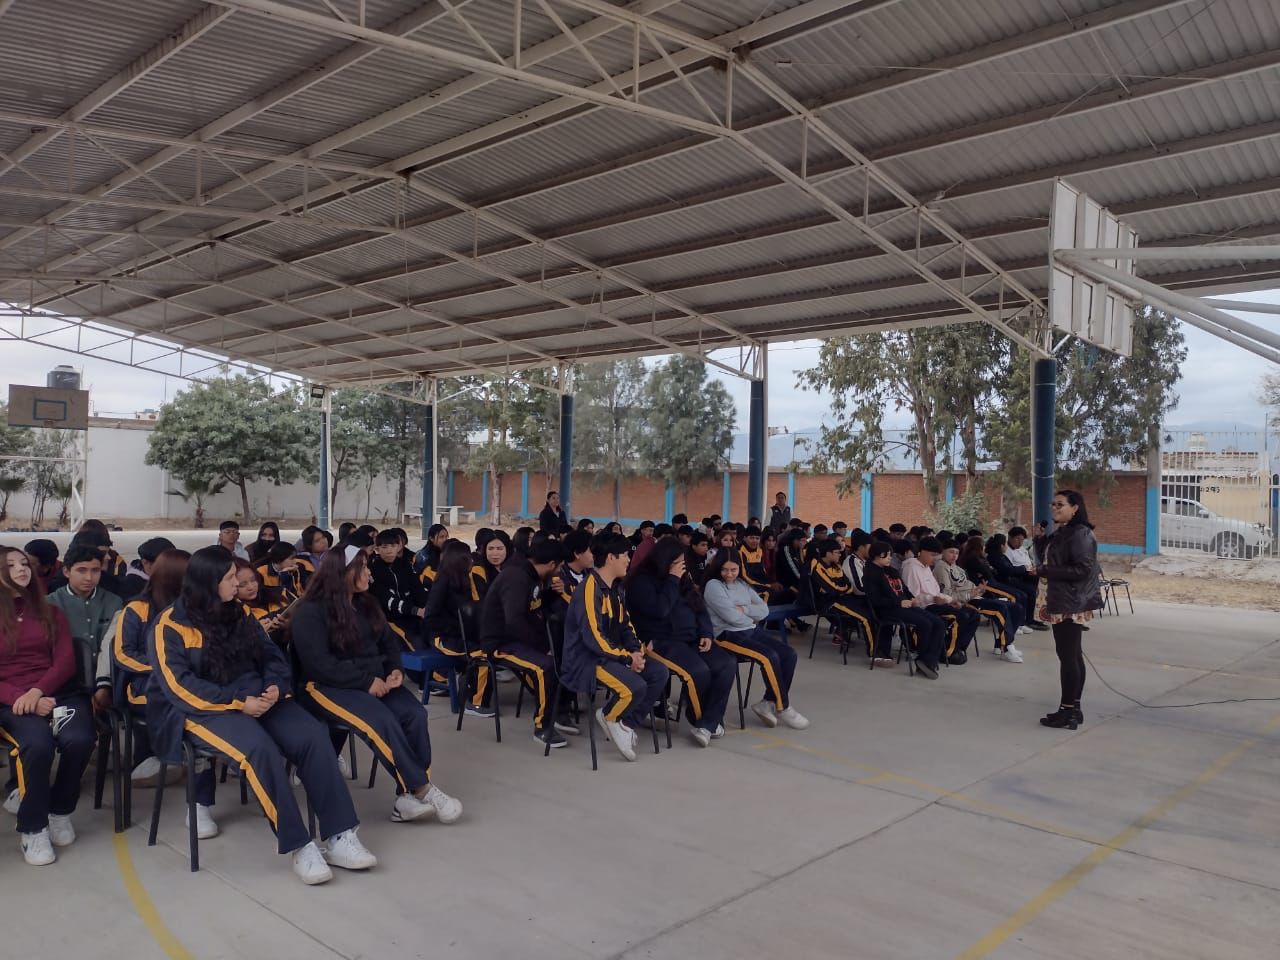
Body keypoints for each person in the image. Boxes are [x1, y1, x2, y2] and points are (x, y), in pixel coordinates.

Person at [149, 546, 373, 885]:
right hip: (205, 710)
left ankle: (340, 834)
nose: (236, 586)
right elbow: (180, 687)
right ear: (207, 583)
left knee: (313, 735)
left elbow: (271, 656)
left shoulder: (238, 612)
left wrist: (274, 686)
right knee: (259, 750)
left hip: (259, 697)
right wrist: (239, 702)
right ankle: (300, 845)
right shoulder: (169, 625)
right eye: (228, 580)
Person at [291, 545, 463, 824]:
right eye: (363, 567)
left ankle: (405, 799)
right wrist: (366, 681)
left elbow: (388, 643)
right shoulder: (311, 612)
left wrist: (394, 670)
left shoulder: (366, 603)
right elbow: (318, 664)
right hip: (324, 687)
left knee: (414, 714)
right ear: (343, 572)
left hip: (372, 681)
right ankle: (423, 789)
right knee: (381, 720)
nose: (369, 573)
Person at [0, 546, 96, 865]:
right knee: (37, 745)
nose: (21, 569)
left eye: (24, 563)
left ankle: (59, 811)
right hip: (10, 700)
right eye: (10, 565)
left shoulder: (50, 612)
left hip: (56, 692)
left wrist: (38, 692)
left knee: (80, 739)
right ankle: (33, 828)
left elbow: (66, 661)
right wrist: (22, 698)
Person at [561, 533, 668, 762]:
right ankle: (610, 716)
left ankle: (626, 724)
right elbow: (593, 639)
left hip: (612, 655)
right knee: (635, 686)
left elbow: (626, 627)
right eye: (625, 555)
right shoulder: (589, 590)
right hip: (587, 660)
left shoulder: (616, 588)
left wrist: (636, 652)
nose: (629, 560)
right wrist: (628, 659)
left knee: (659, 673)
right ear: (611, 557)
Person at [626, 538, 735, 747]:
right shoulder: (641, 581)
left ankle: (707, 724)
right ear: (663, 560)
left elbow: (699, 605)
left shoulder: (682, 577)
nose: (681, 565)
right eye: (676, 561)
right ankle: (701, 718)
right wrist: (673, 579)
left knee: (726, 664)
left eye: (682, 561)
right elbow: (661, 610)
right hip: (662, 640)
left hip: (693, 637)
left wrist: (706, 632)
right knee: (699, 671)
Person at [110, 549, 192, 785]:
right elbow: (122, 654)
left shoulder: (189, 608)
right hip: (143, 684)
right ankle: (170, 757)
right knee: (177, 700)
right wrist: (162, 667)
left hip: (183, 679)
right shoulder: (137, 609)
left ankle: (178, 756)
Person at [478, 539, 569, 748]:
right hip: (500, 642)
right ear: (551, 564)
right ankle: (543, 728)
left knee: (560, 656)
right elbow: (514, 621)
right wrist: (542, 647)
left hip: (518, 638)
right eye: (559, 567)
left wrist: (552, 593)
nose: (558, 572)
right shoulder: (516, 577)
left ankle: (559, 711)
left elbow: (534, 602)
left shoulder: (532, 575)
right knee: (545, 667)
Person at [703, 551, 808, 730]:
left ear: (740, 568)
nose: (729, 574)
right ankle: (783, 707)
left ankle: (768, 702)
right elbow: (731, 617)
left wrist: (743, 610)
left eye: (734, 570)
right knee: (769, 656)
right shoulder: (713, 586)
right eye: (725, 570)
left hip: (750, 631)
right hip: (727, 635)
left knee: (788, 654)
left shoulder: (742, 584)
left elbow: (764, 610)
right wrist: (750, 616)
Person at [1036, 491, 1104, 730]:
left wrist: (1046, 572)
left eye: (1061, 504)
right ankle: (1073, 707)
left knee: (1068, 656)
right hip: (1060, 598)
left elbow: (1083, 570)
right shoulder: (1063, 532)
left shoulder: (1081, 534)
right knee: (1071, 654)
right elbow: (1052, 559)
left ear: (1075, 508)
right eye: (1053, 503)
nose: (1055, 508)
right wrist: (1040, 540)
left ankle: (1067, 711)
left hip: (1070, 602)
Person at [45, 544, 124, 712]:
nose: (89, 577)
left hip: (105, 681)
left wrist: (105, 685)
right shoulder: (49, 604)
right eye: (81, 570)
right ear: (67, 572)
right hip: (62, 684)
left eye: (95, 570)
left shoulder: (114, 602)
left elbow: (112, 645)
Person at [424, 540, 493, 718]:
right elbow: (430, 618)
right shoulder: (441, 583)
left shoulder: (464, 580)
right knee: (481, 655)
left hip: (461, 635)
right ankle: (475, 704)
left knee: (488, 648)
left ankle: (469, 687)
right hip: (443, 637)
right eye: (467, 557)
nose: (471, 560)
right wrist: (456, 629)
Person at [862, 542, 945, 679]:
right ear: (877, 555)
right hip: (888, 610)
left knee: (938, 623)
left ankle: (928, 660)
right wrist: (899, 602)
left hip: (904, 606)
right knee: (925, 623)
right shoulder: (870, 574)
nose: (890, 558)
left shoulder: (891, 571)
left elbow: (904, 589)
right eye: (887, 555)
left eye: (890, 555)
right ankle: (923, 658)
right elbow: (875, 600)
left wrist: (912, 599)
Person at [933, 544, 1023, 659]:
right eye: (951, 552)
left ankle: (1001, 644)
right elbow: (948, 594)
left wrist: (979, 590)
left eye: (957, 553)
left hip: (975, 597)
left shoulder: (956, 567)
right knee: (1001, 609)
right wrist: (970, 594)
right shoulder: (941, 567)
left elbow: (966, 585)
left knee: (1016, 608)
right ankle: (1006, 648)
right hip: (965, 602)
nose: (954, 556)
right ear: (943, 552)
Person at [902, 538, 979, 665]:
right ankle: (947, 653)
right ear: (921, 552)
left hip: (937, 603)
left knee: (973, 614)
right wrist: (933, 599)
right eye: (932, 555)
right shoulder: (911, 568)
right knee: (960, 617)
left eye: (936, 555)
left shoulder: (926, 567)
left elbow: (936, 591)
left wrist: (951, 600)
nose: (935, 559)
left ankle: (957, 647)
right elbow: (913, 596)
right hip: (925, 607)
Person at [810, 538, 879, 660]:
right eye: (837, 552)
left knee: (872, 611)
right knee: (865, 618)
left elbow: (848, 586)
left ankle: (880, 647)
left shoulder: (836, 566)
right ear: (828, 553)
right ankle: (874, 653)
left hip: (843, 599)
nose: (840, 554)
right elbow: (831, 589)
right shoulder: (817, 566)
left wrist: (842, 589)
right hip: (829, 603)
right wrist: (842, 589)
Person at [368, 530, 429, 646]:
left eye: (393, 546)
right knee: (415, 643)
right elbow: (385, 598)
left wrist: (427, 608)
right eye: (384, 547)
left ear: (399, 547)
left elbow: (418, 589)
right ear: (377, 549)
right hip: (389, 619)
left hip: (412, 616)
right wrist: (415, 610)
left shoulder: (406, 565)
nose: (389, 551)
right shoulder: (374, 570)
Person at [234, 560, 290, 640]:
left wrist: (290, 624)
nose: (251, 587)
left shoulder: (280, 592)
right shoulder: (238, 615)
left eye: (253, 580)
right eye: (242, 585)